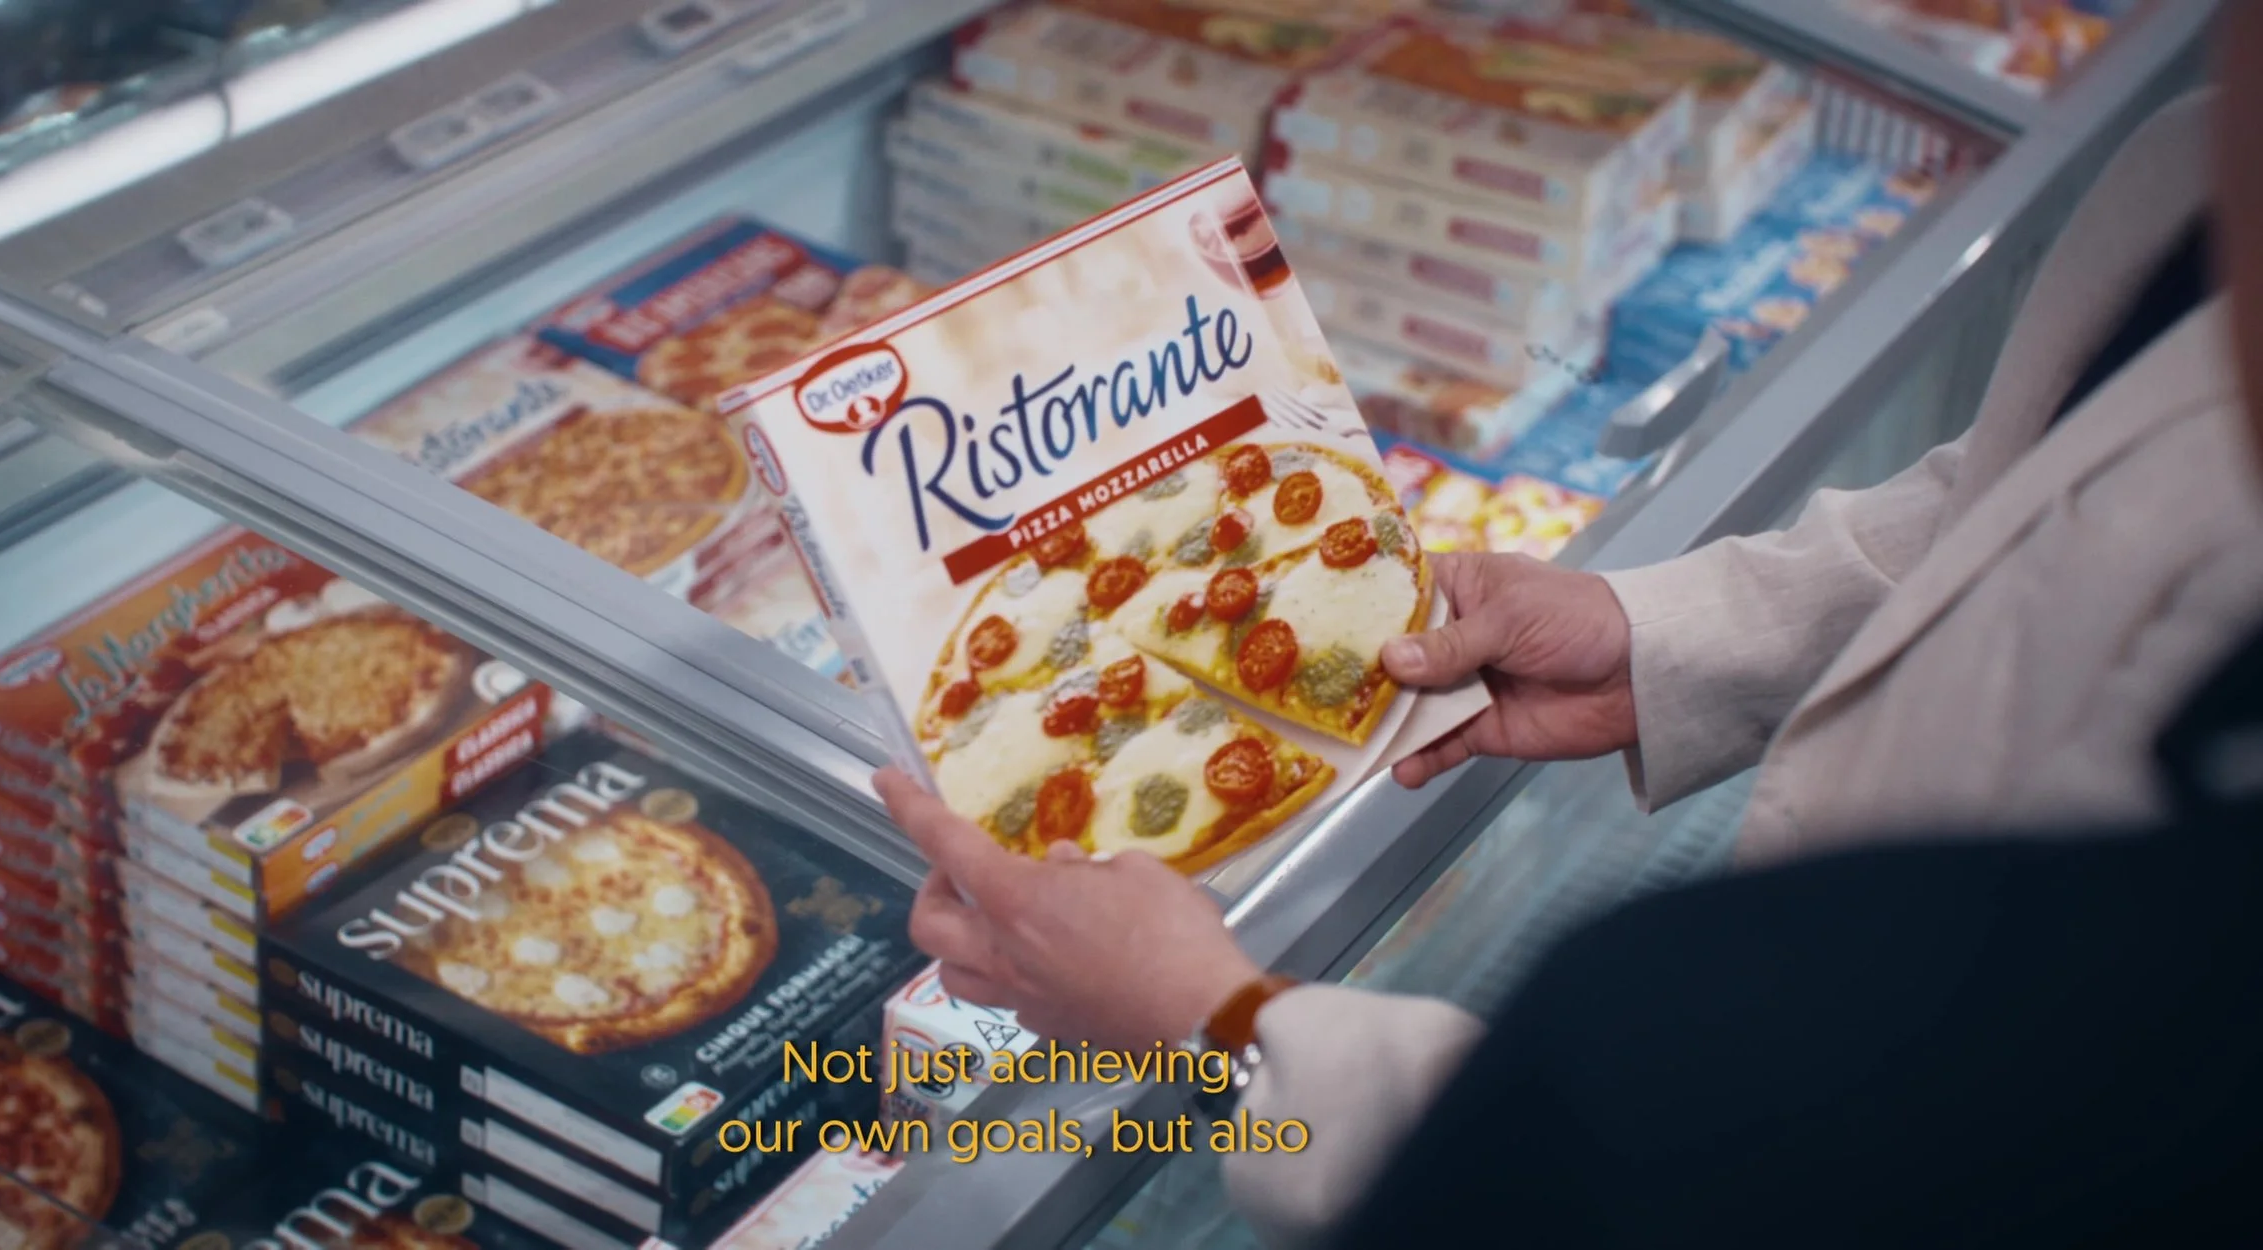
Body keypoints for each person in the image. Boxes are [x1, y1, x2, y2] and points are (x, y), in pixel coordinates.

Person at [875, 6, 2263, 1242]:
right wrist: (1664, 629)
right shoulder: (2205, 163)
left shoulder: (1665, 1002)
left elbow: (1733, 1168)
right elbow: (2039, 484)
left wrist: (1212, 1020)